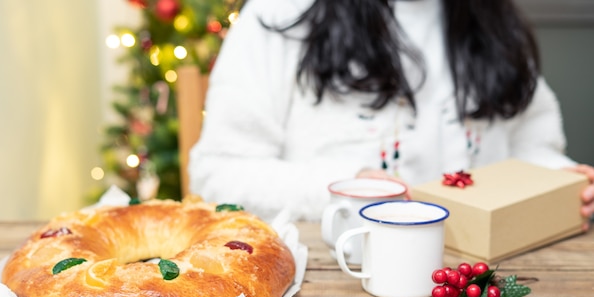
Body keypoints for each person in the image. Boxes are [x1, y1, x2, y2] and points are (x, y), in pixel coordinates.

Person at [189, 0, 594, 227]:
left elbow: (530, 145)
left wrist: (558, 179)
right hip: (330, 292)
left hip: (487, 284)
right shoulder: (279, 15)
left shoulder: (495, 22)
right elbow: (218, 174)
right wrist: (342, 187)